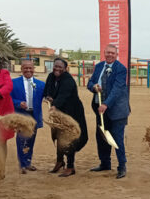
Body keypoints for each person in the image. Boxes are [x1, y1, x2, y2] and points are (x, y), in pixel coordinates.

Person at [88, 44, 130, 179]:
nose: (110, 55)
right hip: (99, 109)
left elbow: (117, 89)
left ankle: (122, 166)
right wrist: (94, 87)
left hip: (117, 110)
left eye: (113, 53)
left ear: (116, 55)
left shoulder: (121, 69)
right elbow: (90, 83)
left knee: (117, 138)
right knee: (102, 137)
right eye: (108, 53)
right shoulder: (99, 66)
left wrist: (106, 104)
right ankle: (105, 163)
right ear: (104, 53)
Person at [43, 58, 88, 177]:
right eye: (55, 66)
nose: (57, 69)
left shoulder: (68, 80)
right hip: (58, 112)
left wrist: (55, 104)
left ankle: (70, 166)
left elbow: (64, 95)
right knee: (58, 136)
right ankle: (59, 161)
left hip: (72, 112)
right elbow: (48, 90)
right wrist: (49, 97)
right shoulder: (51, 76)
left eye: (60, 67)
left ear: (65, 68)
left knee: (69, 139)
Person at [10, 60, 45, 174]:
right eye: (26, 68)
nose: (28, 70)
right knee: (21, 140)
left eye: (30, 68)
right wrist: (18, 103)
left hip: (34, 115)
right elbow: (8, 99)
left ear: (34, 69)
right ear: (21, 69)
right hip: (21, 115)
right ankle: (22, 164)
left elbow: (48, 96)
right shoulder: (14, 83)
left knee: (31, 140)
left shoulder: (40, 84)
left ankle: (28, 162)